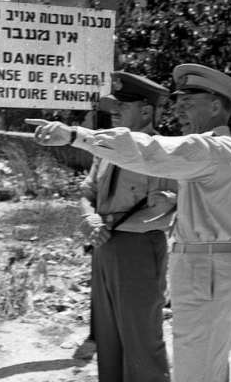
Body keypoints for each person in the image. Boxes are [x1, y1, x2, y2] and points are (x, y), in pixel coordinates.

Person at [26, 64, 231, 382]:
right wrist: (173, 203)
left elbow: (150, 151)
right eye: (178, 102)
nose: (179, 110)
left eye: (188, 102)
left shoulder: (211, 148)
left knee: (191, 371)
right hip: (213, 268)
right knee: (208, 371)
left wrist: (74, 135)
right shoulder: (223, 152)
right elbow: (213, 205)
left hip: (206, 272)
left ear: (215, 106)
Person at [74, 71, 176, 382]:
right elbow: (87, 192)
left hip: (138, 248)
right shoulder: (105, 147)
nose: (115, 112)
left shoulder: (162, 151)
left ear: (146, 111)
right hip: (103, 245)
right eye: (114, 106)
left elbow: (171, 204)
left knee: (141, 338)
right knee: (108, 337)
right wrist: (88, 218)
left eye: (123, 106)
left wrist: (170, 200)